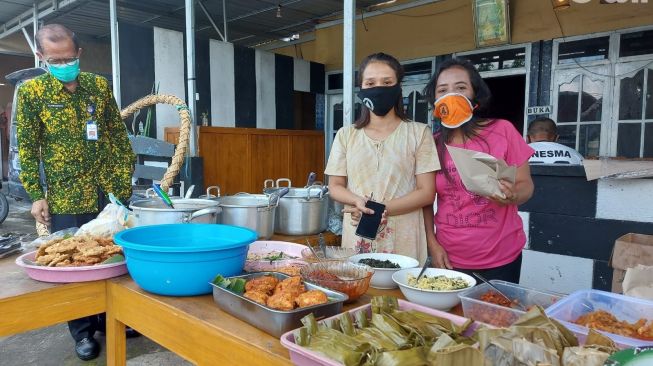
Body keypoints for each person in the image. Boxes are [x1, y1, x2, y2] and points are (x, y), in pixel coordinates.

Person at [16, 24, 136, 361]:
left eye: (69, 57)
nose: (63, 63)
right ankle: (82, 332)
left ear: (79, 53)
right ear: (42, 57)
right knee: (73, 263)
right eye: (55, 59)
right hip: (66, 193)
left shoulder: (98, 87)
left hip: (107, 190)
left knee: (113, 256)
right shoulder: (32, 93)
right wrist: (36, 195)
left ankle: (108, 317)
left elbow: (116, 133)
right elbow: (27, 148)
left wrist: (122, 181)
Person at [423, 58, 534, 283]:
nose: (451, 95)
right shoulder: (430, 145)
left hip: (502, 257)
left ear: (475, 95)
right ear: (435, 101)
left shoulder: (502, 130)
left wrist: (514, 195)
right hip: (448, 258)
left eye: (461, 87)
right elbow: (425, 201)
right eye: (442, 90)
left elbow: (526, 185)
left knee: (494, 317)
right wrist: (432, 245)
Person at [325, 53, 439, 265]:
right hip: (358, 233)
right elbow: (335, 186)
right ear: (362, 88)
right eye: (370, 83)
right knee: (360, 291)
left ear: (398, 87)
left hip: (404, 238)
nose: (378, 87)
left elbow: (426, 192)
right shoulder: (346, 135)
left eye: (387, 82)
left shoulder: (419, 133)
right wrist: (358, 202)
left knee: (401, 294)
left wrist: (377, 210)